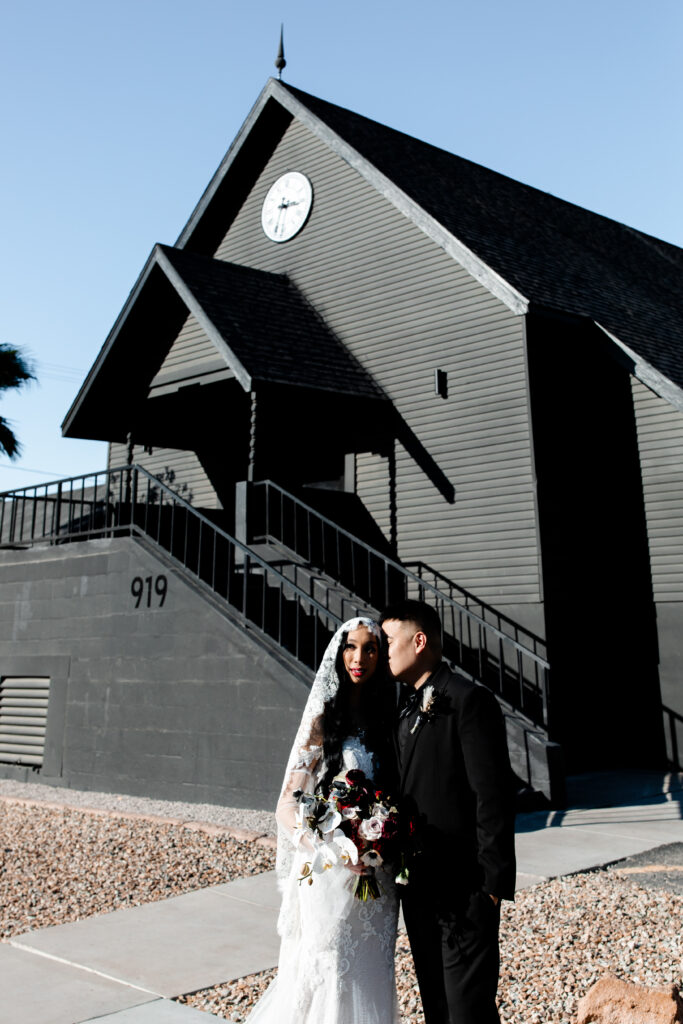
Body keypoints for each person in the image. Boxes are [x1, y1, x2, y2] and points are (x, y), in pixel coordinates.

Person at [245, 616, 400, 1024]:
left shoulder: (388, 723)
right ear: (339, 654)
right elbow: (285, 805)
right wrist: (327, 848)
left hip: (377, 876)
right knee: (330, 968)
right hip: (329, 871)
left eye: (370, 648)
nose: (359, 657)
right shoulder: (322, 723)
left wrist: (382, 839)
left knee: (372, 972)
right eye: (351, 647)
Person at [380, 599, 516, 1024]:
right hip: (419, 888)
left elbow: (492, 796)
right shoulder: (403, 707)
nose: (385, 651)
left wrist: (490, 889)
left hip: (465, 889)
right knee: (438, 1007)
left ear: (418, 641)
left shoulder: (467, 701)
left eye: (389, 640)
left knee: (467, 1011)